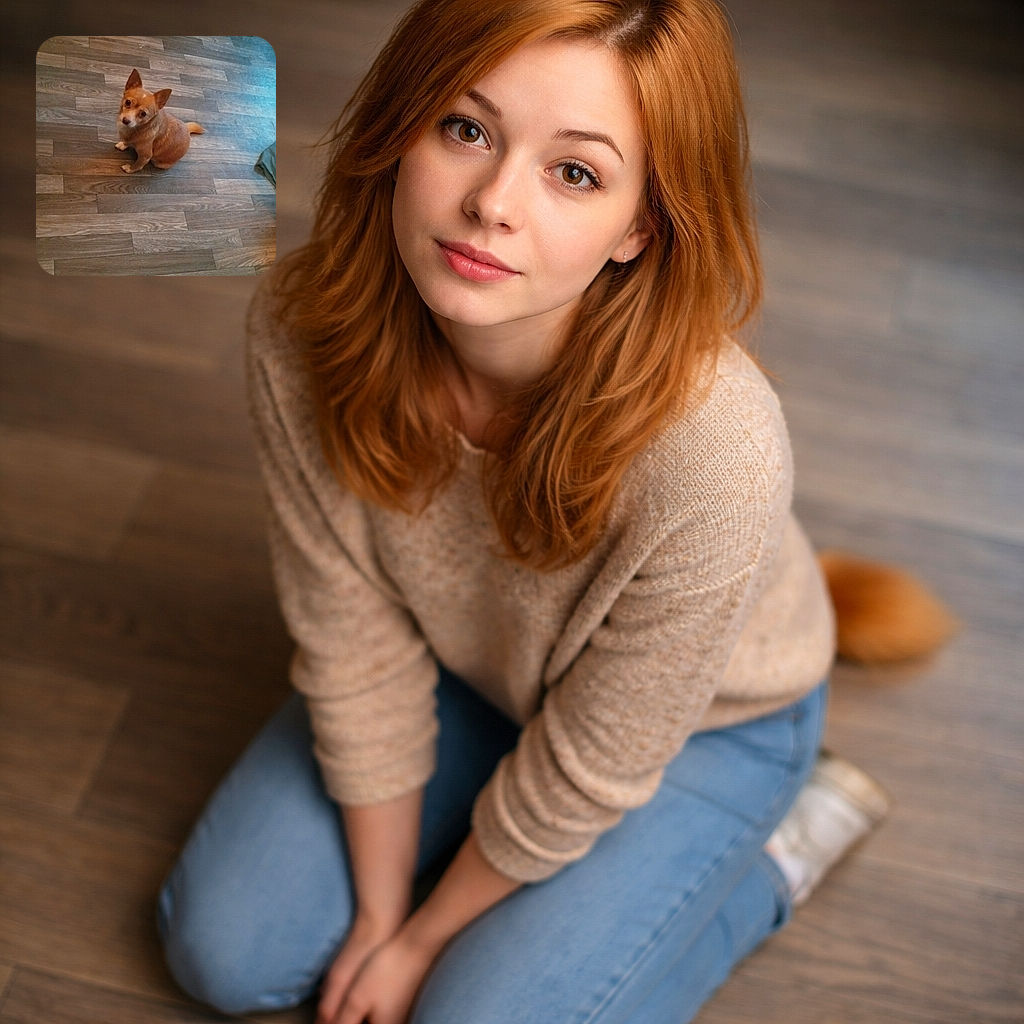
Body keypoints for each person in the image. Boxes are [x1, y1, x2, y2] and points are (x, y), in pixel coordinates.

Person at [156, 1, 930, 1021]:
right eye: (466, 129)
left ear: (638, 226)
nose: (491, 204)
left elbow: (591, 762)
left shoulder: (718, 447)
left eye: (575, 172)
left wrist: (425, 943)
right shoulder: (301, 331)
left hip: (708, 725)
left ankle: (774, 856)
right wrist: (383, 918)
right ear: (400, 128)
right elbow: (352, 640)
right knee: (221, 950)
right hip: (477, 663)